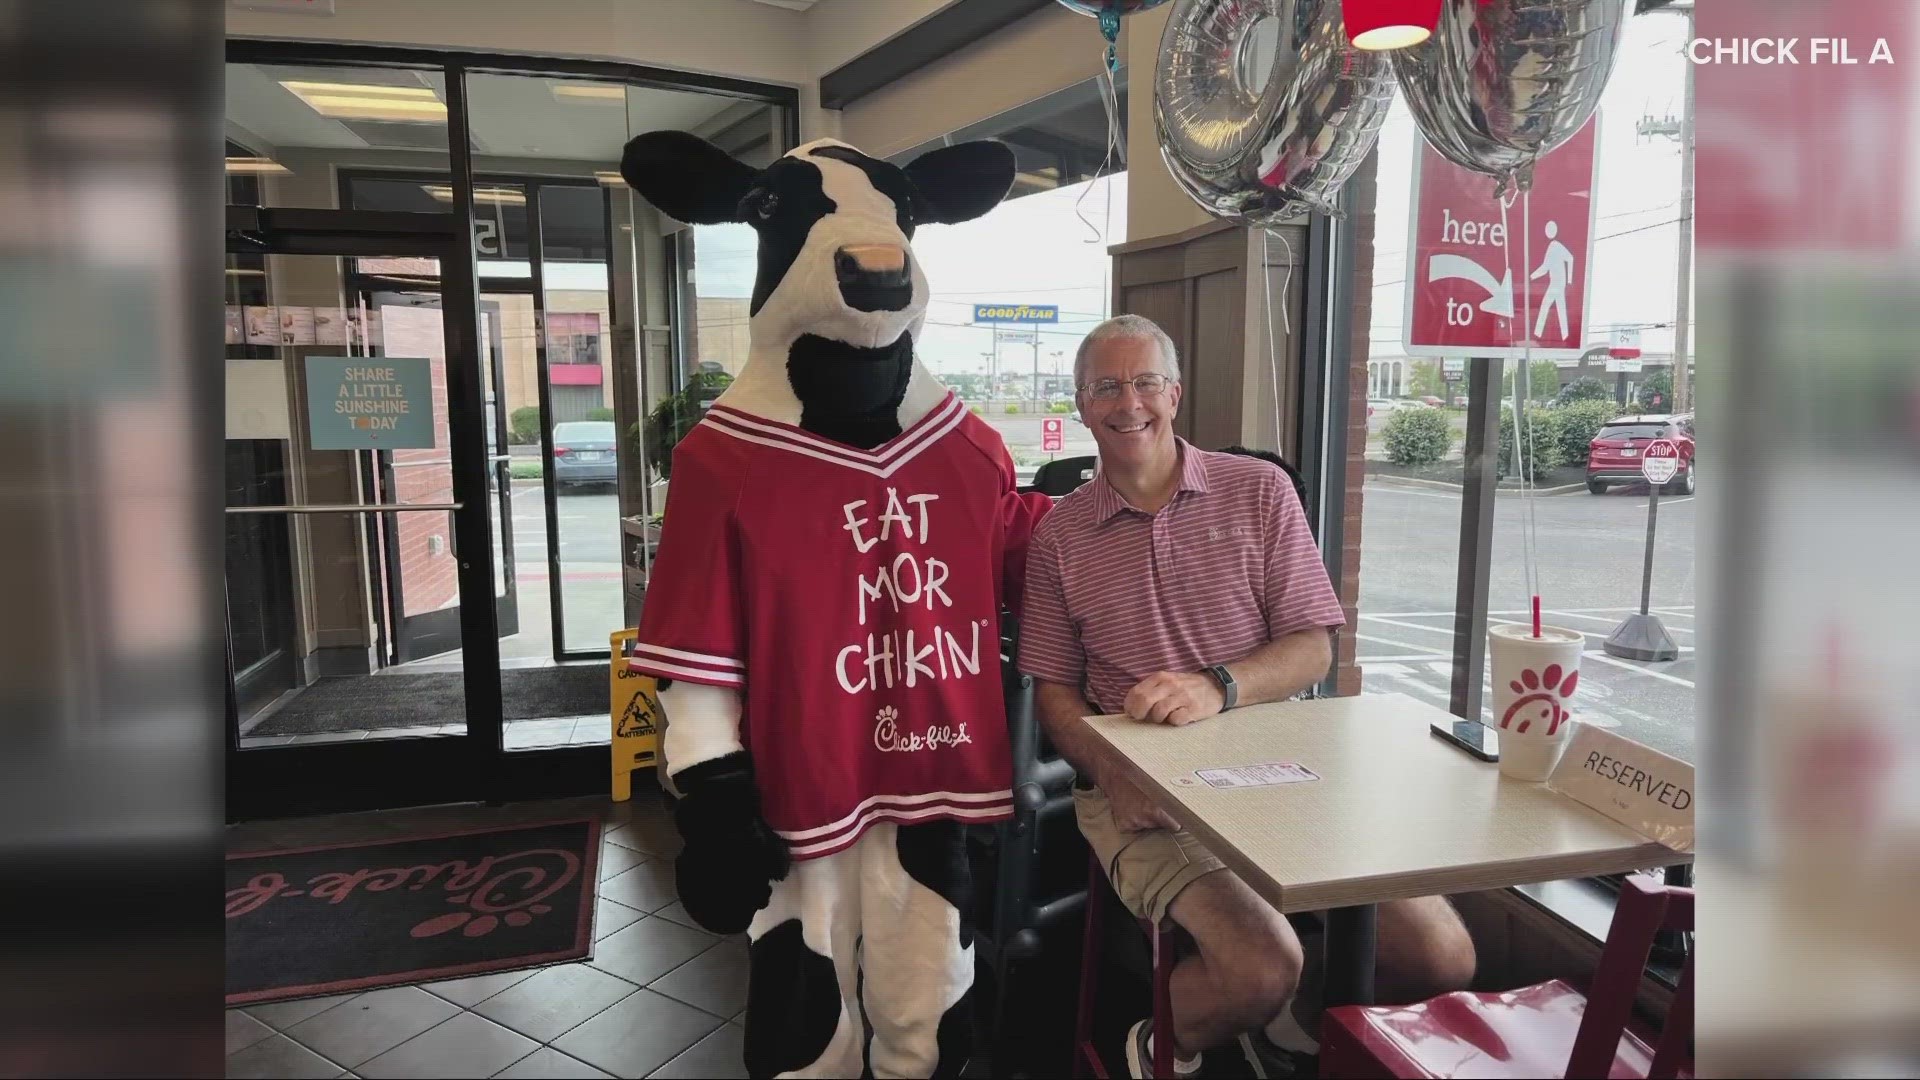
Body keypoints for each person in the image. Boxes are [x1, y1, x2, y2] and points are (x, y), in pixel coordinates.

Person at [1019, 315, 1476, 1079]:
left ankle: (1293, 1022)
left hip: (1286, 769)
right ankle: (1167, 1042)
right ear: (1081, 404)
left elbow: (1312, 647)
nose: (1128, 403)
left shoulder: (1259, 491)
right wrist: (1113, 767)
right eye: (1106, 386)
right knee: (1259, 966)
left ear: (1175, 393)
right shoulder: (1059, 538)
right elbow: (1056, 694)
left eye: (1144, 383)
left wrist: (1218, 686)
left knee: (1440, 954)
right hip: (1140, 787)